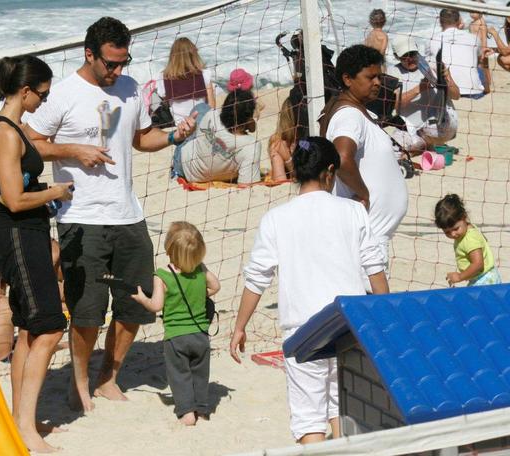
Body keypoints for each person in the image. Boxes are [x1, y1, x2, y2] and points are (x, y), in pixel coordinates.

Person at [26, 16, 197, 413]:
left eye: (124, 62)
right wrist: (74, 150)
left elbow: (141, 138)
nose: (118, 71)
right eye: (111, 64)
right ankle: (79, 382)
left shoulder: (131, 88)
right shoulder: (63, 94)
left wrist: (174, 135)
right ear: (90, 54)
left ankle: (108, 378)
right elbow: (31, 141)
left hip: (127, 213)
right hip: (80, 215)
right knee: (86, 310)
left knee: (134, 303)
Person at [229, 137, 389, 444]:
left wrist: (239, 326)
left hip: (303, 330)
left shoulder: (275, 218)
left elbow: (256, 279)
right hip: (349, 326)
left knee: (308, 418)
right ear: (330, 171)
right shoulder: (354, 212)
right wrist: (386, 315)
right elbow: (374, 268)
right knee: (344, 410)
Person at [0, 54, 71, 453]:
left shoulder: (16, 128)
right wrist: (55, 192)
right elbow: (14, 199)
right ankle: (24, 427)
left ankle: (22, 419)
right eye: (42, 94)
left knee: (29, 330)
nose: (44, 101)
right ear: (24, 91)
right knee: (51, 327)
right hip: (18, 235)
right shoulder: (4, 132)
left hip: (30, 234)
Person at [320, 44, 408, 279]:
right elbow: (341, 157)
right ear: (347, 79)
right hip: (366, 237)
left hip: (371, 235)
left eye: (379, 76)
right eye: (370, 77)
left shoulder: (358, 113)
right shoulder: (349, 115)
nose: (378, 82)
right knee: (369, 308)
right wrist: (364, 193)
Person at [130, 221, 220, 426]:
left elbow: (156, 305)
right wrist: (198, 294)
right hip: (200, 334)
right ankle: (202, 409)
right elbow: (216, 286)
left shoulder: (162, 276)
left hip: (176, 336)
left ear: (168, 250)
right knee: (200, 372)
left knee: (180, 375)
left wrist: (142, 299)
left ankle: (187, 413)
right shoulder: (200, 269)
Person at [172, 85, 261, 183]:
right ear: (248, 119)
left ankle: (176, 172)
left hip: (182, 166)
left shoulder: (211, 116)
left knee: (200, 108)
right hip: (210, 174)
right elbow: (246, 184)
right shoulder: (252, 145)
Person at [387, 36, 460, 152]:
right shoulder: (393, 73)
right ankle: (423, 144)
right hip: (412, 127)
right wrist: (419, 89)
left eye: (412, 53)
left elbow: (456, 96)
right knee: (392, 149)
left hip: (441, 125)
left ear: (417, 49)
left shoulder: (434, 65)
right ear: (396, 56)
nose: (409, 59)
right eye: (404, 56)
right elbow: (396, 105)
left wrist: (447, 79)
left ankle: (426, 142)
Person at [435, 194, 500, 286]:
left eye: (456, 229)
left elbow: (478, 264)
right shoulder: (468, 228)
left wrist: (460, 276)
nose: (453, 234)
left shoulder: (470, 239)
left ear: (464, 217)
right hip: (482, 277)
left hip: (484, 280)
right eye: (447, 232)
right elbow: (484, 239)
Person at [429, 9, 484, 99]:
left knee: (432, 63)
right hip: (474, 91)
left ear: (440, 21)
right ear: (459, 21)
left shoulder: (432, 40)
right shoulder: (474, 38)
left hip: (447, 90)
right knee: (477, 63)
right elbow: (479, 61)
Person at [157, 37, 216, 122]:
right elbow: (211, 106)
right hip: (203, 121)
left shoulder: (163, 76)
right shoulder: (204, 74)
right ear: (193, 54)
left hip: (180, 125)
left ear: (172, 55)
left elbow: (164, 97)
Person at [268, 99, 297, 181]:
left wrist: (288, 160)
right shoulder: (278, 141)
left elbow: (310, 178)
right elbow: (280, 182)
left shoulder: (304, 143)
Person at [467, 0, 492, 94]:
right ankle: (479, 83)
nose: (471, 12)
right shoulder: (471, 23)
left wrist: (484, 50)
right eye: (470, 10)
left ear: (482, 11)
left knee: (484, 67)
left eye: (474, 10)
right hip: (473, 49)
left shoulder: (482, 23)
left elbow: (484, 39)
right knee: (475, 66)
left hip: (481, 49)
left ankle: (488, 84)